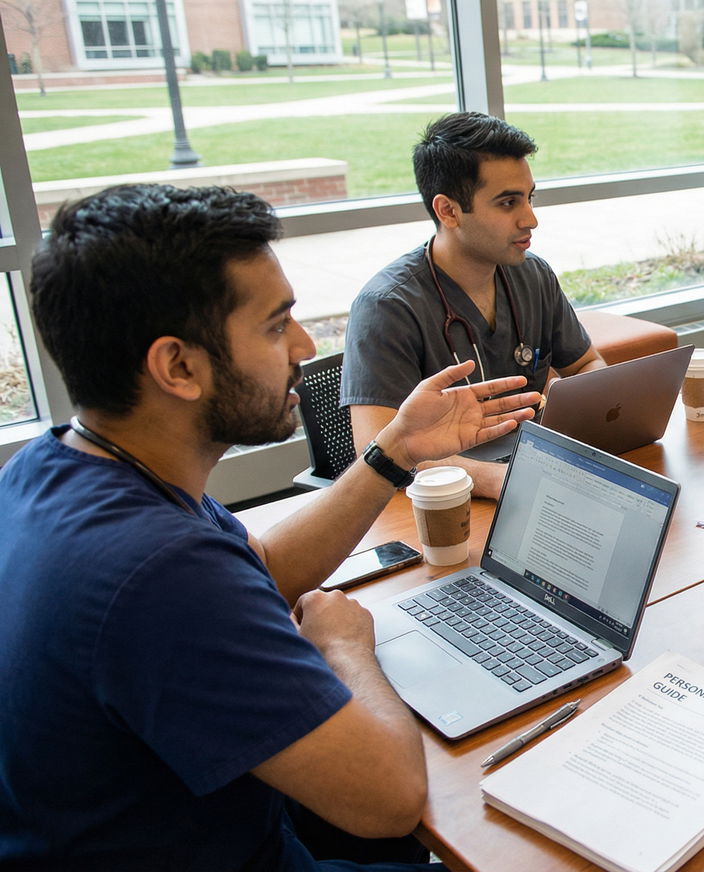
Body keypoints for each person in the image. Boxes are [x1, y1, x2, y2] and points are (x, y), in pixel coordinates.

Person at [0, 184, 541, 870]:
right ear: (179, 366)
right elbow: (391, 798)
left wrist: (395, 450)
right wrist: (345, 648)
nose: (304, 345)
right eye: (274, 324)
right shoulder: (158, 573)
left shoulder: (55, 468)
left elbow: (260, 567)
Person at [343, 111, 603, 498]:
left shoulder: (532, 275)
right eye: (508, 203)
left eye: (530, 198)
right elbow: (377, 451)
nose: (530, 219)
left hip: (533, 476)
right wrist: (497, 481)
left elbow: (585, 364)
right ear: (448, 211)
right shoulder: (387, 306)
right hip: (440, 503)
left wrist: (597, 419)